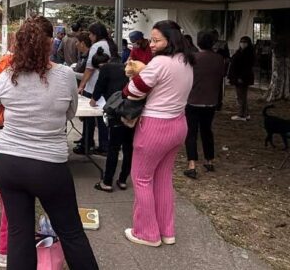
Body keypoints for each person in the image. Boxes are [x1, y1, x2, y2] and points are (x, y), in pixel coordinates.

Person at [0, 16, 99, 270]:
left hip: (9, 164)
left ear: (18, 45)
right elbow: (70, 113)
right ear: (50, 44)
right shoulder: (65, 75)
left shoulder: (7, 77)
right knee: (71, 232)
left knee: (19, 234)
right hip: (49, 166)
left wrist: (12, 118)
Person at [123, 20, 195, 247]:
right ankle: (166, 231)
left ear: (170, 40)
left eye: (156, 40)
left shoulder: (159, 63)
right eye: (151, 39)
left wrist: (136, 74)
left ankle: (147, 233)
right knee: (163, 178)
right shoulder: (186, 61)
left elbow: (132, 90)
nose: (152, 44)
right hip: (179, 125)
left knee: (141, 179)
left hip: (155, 127)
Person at [89, 49, 134, 192]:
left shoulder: (105, 68)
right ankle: (123, 180)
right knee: (128, 147)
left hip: (116, 110)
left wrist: (93, 100)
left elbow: (99, 87)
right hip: (131, 110)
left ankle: (107, 181)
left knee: (114, 147)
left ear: (99, 65)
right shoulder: (125, 66)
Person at [183, 31, 226, 179]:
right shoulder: (219, 59)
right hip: (211, 101)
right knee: (207, 131)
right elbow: (221, 78)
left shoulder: (193, 58)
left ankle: (192, 164)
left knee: (191, 133)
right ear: (213, 43)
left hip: (193, 100)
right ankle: (209, 160)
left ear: (198, 42)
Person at [76, 23, 119, 154]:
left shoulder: (97, 46)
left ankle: (88, 143)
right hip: (105, 86)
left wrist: (81, 86)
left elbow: (89, 69)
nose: (89, 36)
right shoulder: (110, 44)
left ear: (96, 34)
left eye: (90, 34)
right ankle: (103, 144)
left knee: (89, 117)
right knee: (101, 117)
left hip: (94, 86)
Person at [228, 36, 255, 121]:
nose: (242, 44)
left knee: (240, 97)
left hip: (242, 78)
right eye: (241, 42)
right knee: (242, 96)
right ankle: (246, 113)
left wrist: (240, 77)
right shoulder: (240, 52)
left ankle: (241, 114)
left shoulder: (248, 54)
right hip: (238, 77)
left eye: (245, 42)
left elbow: (246, 68)